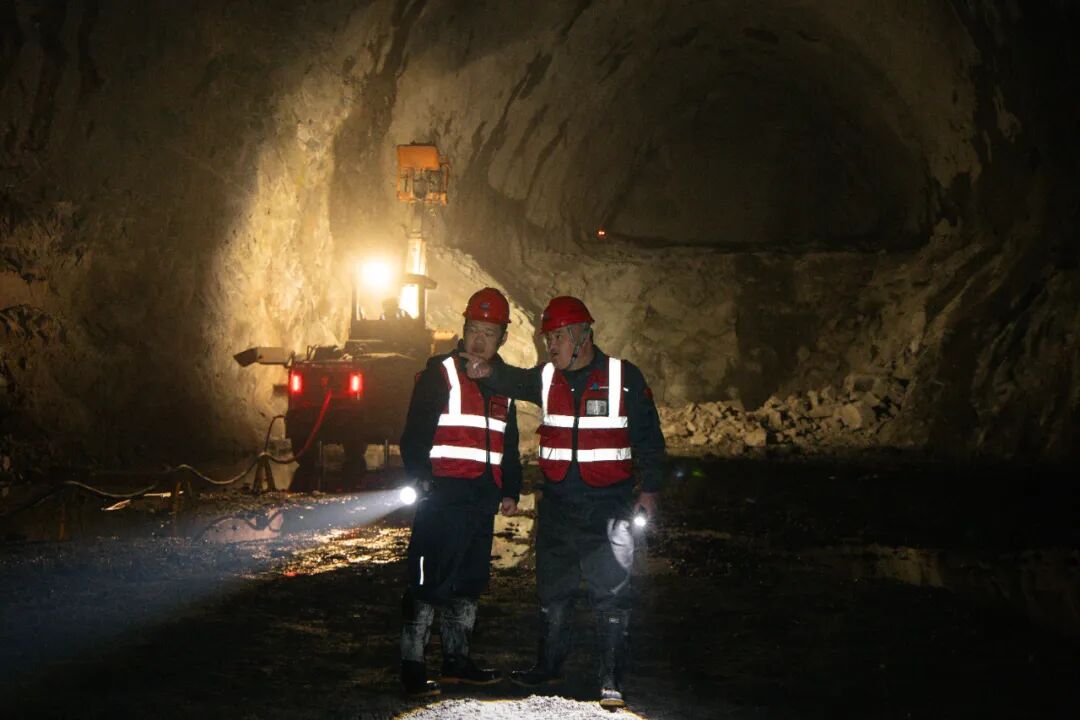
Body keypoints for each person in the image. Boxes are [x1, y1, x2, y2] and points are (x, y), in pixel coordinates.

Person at [462, 295, 664, 710]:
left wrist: (650, 491)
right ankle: (549, 668)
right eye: (547, 338)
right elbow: (515, 381)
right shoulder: (546, 377)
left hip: (608, 506)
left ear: (581, 336)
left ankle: (611, 680)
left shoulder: (622, 376)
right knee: (553, 591)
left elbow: (649, 439)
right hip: (558, 505)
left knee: (612, 593)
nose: (549, 345)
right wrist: (487, 371)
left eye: (556, 337)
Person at [398, 287, 522, 697]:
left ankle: (457, 662)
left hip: (481, 497)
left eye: (489, 333)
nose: (479, 341)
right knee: (427, 581)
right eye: (474, 330)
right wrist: (421, 478)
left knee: (469, 581)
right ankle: (413, 666)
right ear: (464, 329)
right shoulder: (441, 374)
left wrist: (510, 488)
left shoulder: (503, 384)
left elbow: (508, 443)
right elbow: (414, 434)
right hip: (443, 496)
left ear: (503, 337)